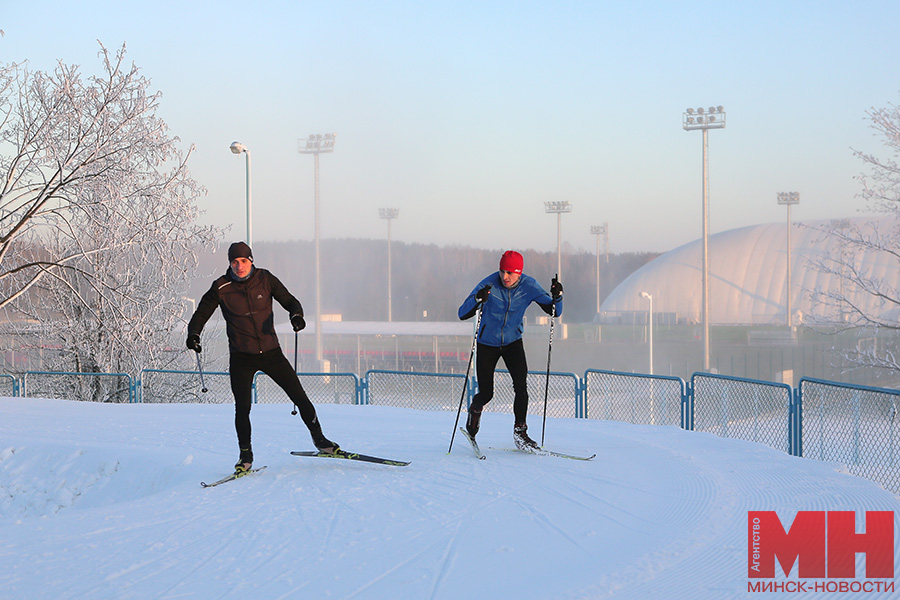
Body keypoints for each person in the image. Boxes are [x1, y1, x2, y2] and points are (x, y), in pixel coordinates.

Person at [186, 241, 338, 473]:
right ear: (230, 263)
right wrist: (193, 334)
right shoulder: (221, 286)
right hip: (241, 357)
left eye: (243, 261)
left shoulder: (265, 279)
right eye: (234, 262)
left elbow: (290, 301)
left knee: (300, 396)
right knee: (242, 408)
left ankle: (321, 441)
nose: (239, 266)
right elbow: (202, 313)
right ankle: (245, 456)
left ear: (251, 261)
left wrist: (296, 316)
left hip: (271, 353)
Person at [457, 250, 563, 450]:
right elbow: (462, 313)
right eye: (502, 271)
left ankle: (520, 433)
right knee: (486, 393)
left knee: (521, 387)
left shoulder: (529, 286)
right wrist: (478, 299)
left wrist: (558, 297)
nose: (505, 277)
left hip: (513, 342)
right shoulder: (488, 284)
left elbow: (554, 311)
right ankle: (473, 416)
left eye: (510, 273)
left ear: (519, 273)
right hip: (487, 343)